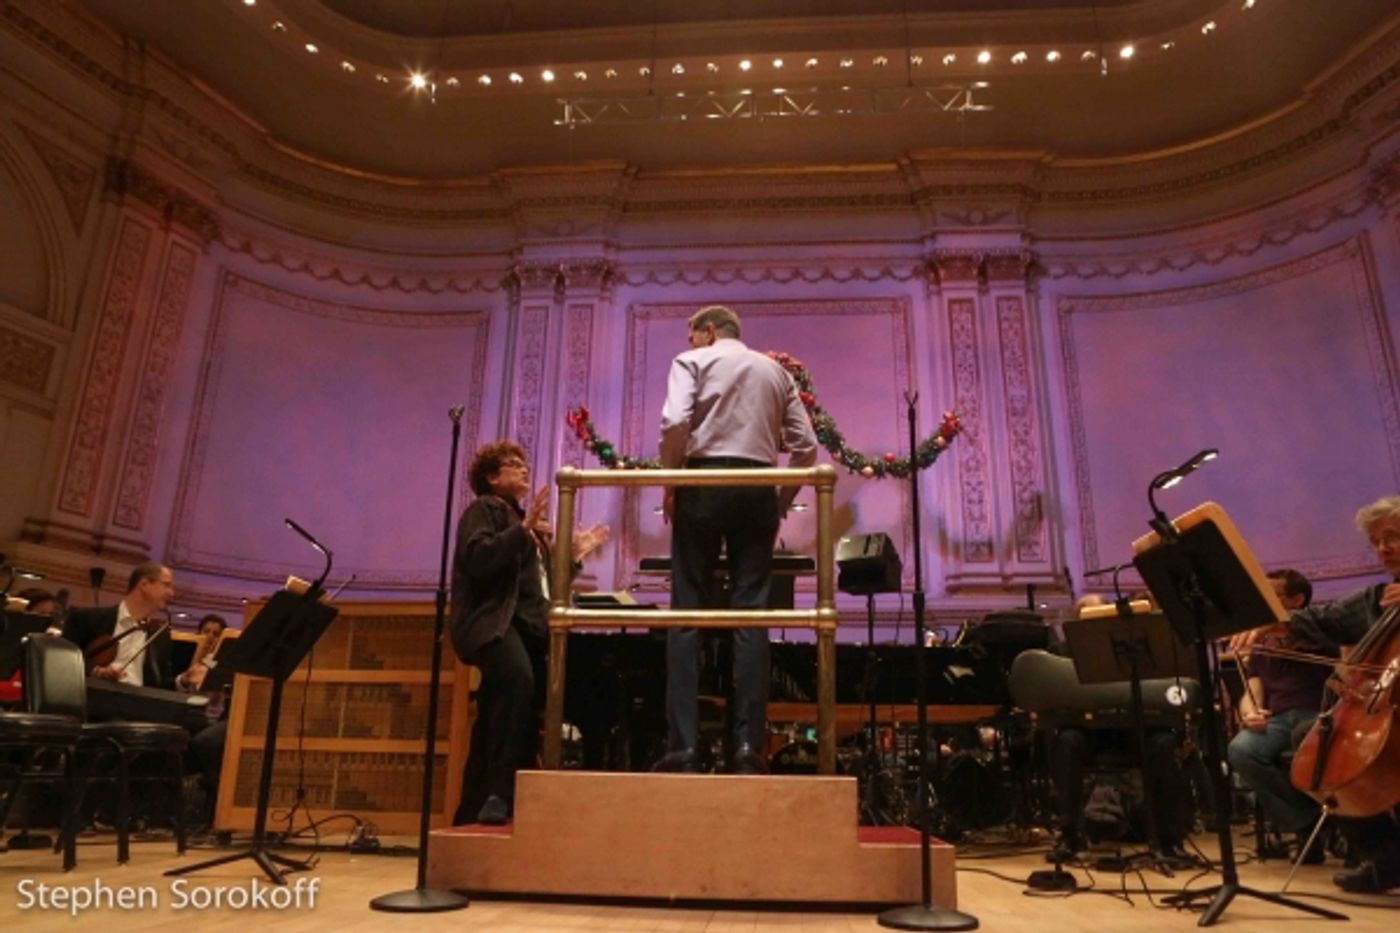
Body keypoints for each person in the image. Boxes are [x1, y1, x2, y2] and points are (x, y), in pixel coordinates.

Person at [653, 305, 818, 774]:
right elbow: (805, 446)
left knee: (685, 611)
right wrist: (781, 500)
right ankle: (747, 748)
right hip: (758, 486)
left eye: (691, 336)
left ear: (707, 332)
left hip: (702, 482)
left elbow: (674, 424)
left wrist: (671, 484)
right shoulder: (776, 371)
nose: (689, 345)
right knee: (752, 613)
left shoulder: (693, 363)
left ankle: (684, 747)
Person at [449, 441, 608, 825]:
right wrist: (522, 530)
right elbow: (477, 558)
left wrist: (572, 557)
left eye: (524, 463)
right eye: (512, 465)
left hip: (526, 630)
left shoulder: (531, 530)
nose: (523, 469)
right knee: (517, 682)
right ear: (491, 477)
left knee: (496, 715)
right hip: (495, 627)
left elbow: (545, 589)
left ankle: (475, 808)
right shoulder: (484, 509)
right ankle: (501, 795)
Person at [1283, 495, 1400, 894]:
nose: (1384, 548)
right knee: (1314, 744)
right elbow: (1319, 619)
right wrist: (1269, 623)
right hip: (1385, 709)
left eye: (1394, 537)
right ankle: (1385, 858)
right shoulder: (1375, 601)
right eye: (1376, 541)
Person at [1227, 569, 1333, 863]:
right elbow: (1252, 688)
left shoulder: (1322, 629)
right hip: (1279, 719)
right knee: (1241, 749)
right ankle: (1307, 822)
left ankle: (1324, 828)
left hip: (1319, 715)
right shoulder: (1263, 641)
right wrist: (1250, 712)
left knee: (1309, 742)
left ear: (1297, 600)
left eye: (1273, 596)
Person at [62, 562, 176, 689]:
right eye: (167, 585)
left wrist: (183, 681)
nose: (171, 593)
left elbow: (161, 685)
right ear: (144, 584)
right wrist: (97, 672)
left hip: (140, 703)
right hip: (92, 695)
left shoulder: (161, 635)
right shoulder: (86, 618)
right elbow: (62, 661)